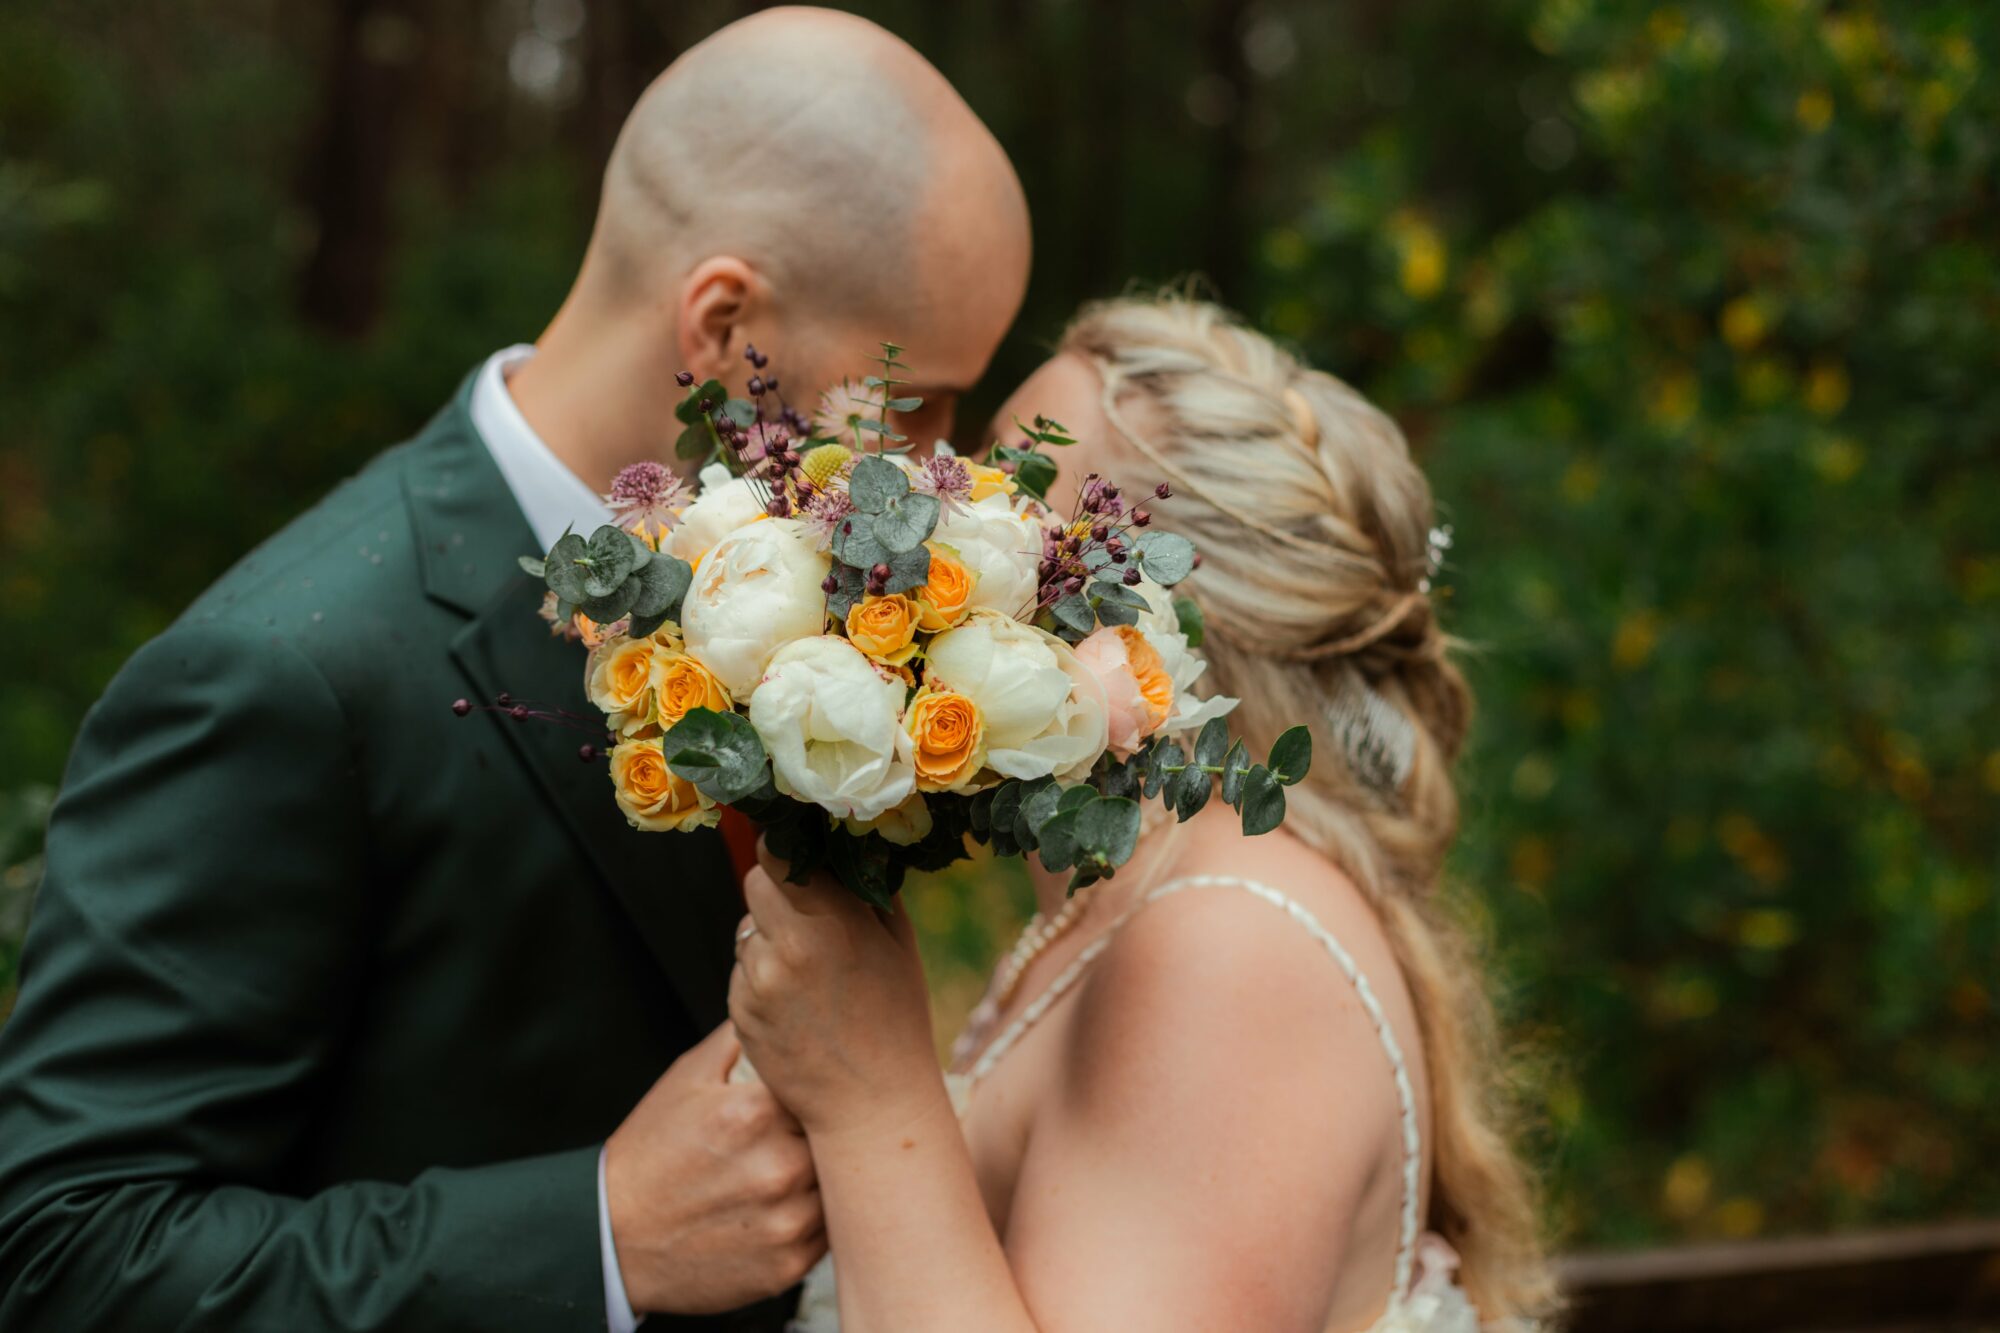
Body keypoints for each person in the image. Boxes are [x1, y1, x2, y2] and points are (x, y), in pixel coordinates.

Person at [0, 9, 1028, 1331]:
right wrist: (595, 1235)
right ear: (722, 327)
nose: (940, 470)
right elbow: (61, 1251)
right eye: (917, 401)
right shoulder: (279, 678)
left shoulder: (798, 607)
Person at [729, 295, 1558, 1332]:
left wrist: (870, 1104)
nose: (928, 527)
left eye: (1004, 501)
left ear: (1156, 607)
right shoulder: (1117, 912)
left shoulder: (1227, 949)